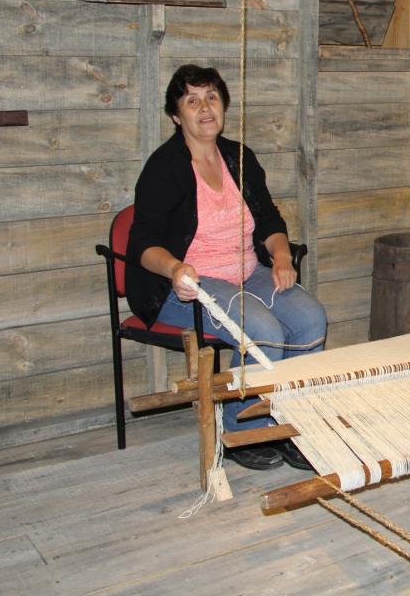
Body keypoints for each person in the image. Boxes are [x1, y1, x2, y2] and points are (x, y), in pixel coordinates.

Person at [126, 64, 326, 471]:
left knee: (310, 319)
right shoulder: (164, 168)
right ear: (175, 114)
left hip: (248, 271)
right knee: (264, 331)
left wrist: (282, 258)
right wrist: (176, 268)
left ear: (224, 106)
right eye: (192, 100)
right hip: (187, 286)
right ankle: (241, 430)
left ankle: (288, 422)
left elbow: (269, 220)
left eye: (212, 98)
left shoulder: (239, 157)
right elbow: (143, 245)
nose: (204, 108)